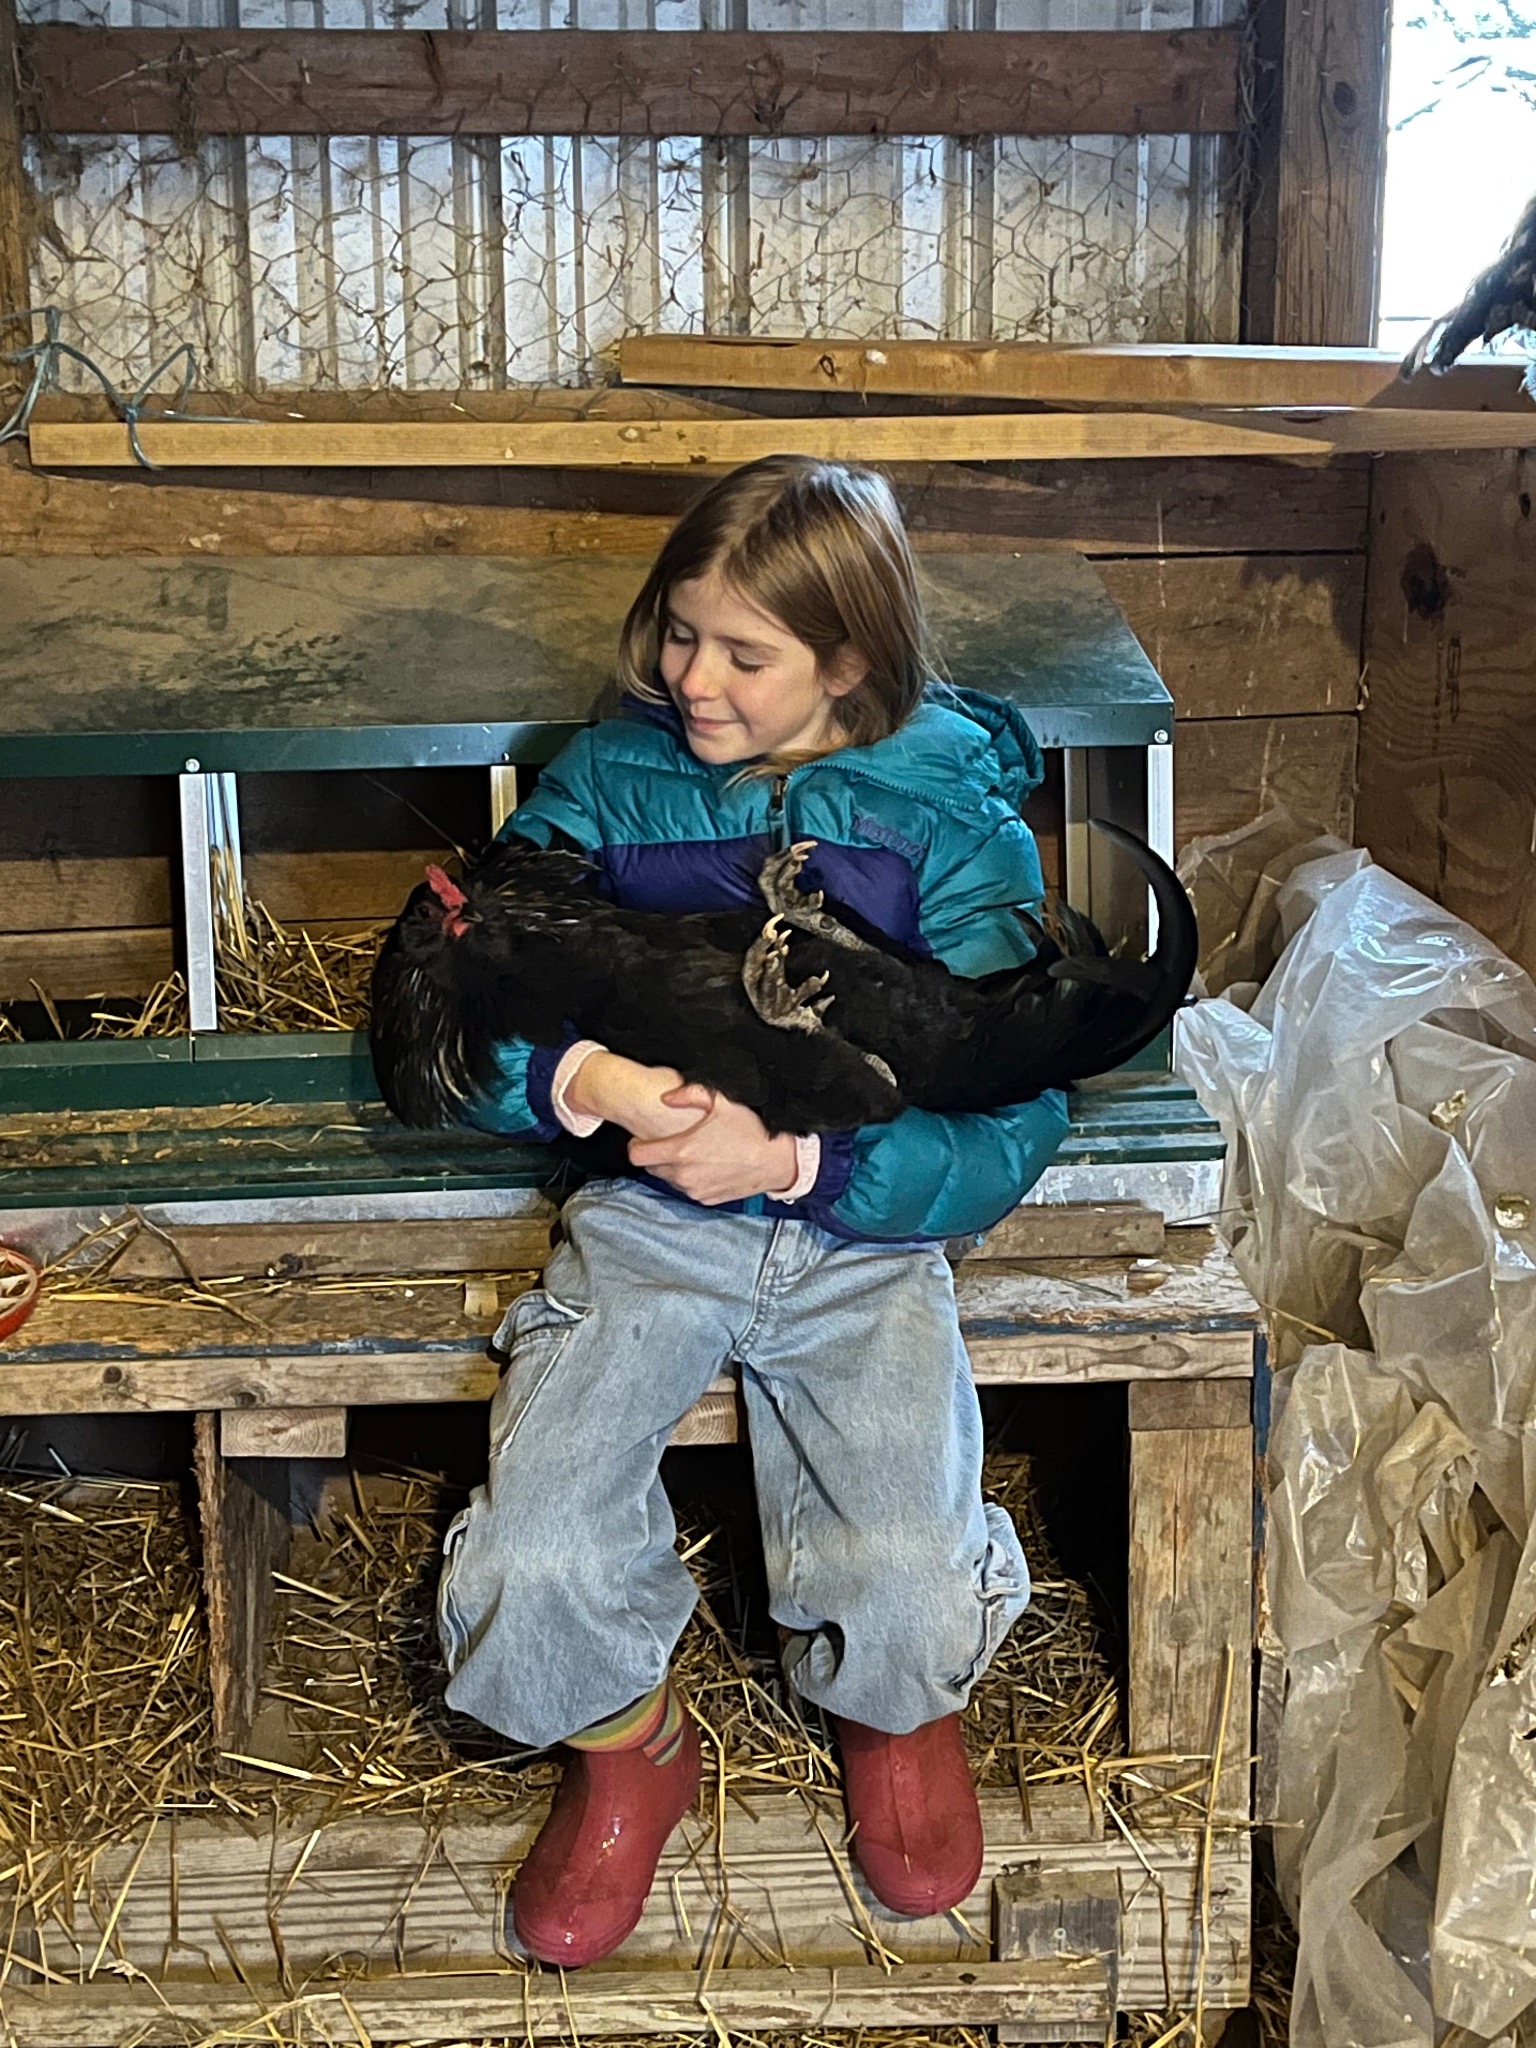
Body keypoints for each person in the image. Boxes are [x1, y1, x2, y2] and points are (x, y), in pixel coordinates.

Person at [436, 453, 1069, 1968]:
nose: (691, 680)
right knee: (534, 1551)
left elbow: (1015, 1106)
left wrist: (798, 1166)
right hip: (652, 1215)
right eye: (679, 634)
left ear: (848, 662)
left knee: (908, 1570)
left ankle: (895, 1719)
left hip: (864, 1231)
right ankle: (628, 1748)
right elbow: (465, 996)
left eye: (743, 654)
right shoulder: (609, 787)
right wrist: (585, 1079)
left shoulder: (951, 820)